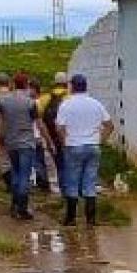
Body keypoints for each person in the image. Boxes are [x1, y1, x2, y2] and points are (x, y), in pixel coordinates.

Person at [55, 74, 112, 227]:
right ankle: (91, 221)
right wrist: (100, 141)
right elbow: (109, 125)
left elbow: (59, 128)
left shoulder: (66, 104)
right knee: (90, 183)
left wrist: (65, 142)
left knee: (72, 182)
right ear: (86, 86)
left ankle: (71, 219)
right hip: (93, 147)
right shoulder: (96, 104)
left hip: (73, 146)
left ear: (71, 86)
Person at [0, 72, 38, 220]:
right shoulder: (30, 101)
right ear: (27, 84)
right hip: (27, 143)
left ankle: (15, 206)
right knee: (24, 175)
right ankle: (22, 207)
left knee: (15, 173)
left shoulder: (2, 101)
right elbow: (36, 122)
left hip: (10, 143)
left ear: (13, 84)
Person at [39, 72, 69, 189]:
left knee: (59, 165)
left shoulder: (44, 98)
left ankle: (63, 192)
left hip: (51, 137)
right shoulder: (70, 97)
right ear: (66, 83)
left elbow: (40, 121)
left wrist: (48, 140)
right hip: (68, 138)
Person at [27, 79, 51, 192]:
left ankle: (42, 183)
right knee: (37, 161)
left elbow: (39, 122)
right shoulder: (36, 102)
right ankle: (41, 182)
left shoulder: (35, 103)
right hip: (34, 135)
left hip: (35, 135)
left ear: (34, 89)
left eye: (29, 88)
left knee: (37, 161)